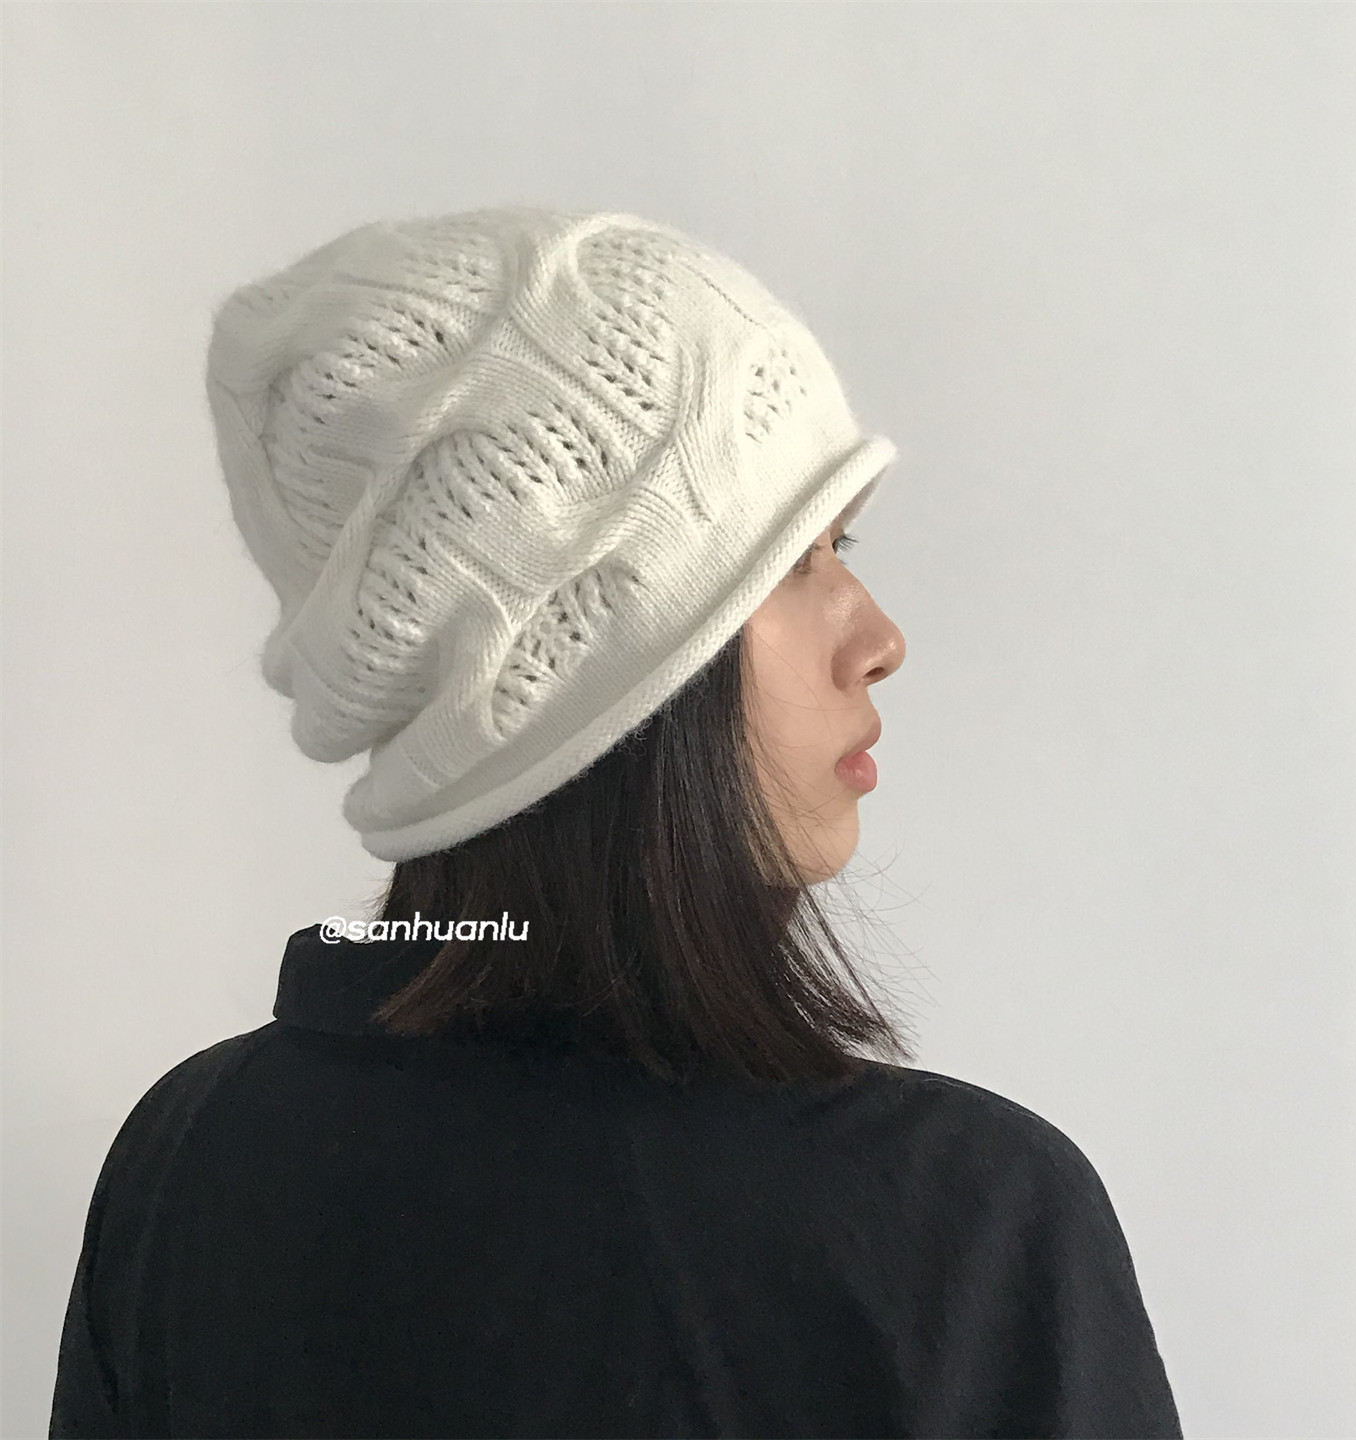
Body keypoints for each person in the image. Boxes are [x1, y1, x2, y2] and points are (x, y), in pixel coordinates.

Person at [48, 207, 1183, 1438]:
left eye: (842, 543)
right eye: (793, 563)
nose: (879, 639)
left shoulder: (194, 1160)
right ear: (582, 669)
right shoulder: (961, 1225)